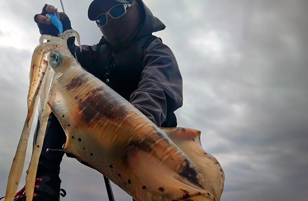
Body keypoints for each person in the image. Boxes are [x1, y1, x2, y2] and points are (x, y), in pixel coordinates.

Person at [15, 0, 183, 200]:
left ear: (137, 8)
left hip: (149, 140)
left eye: (117, 10)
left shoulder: (156, 51)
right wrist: (61, 35)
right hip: (105, 133)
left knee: (160, 191)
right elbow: (71, 61)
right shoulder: (99, 54)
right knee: (58, 100)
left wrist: (132, 127)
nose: (109, 21)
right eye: (101, 19)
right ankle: (42, 186)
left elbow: (157, 88)